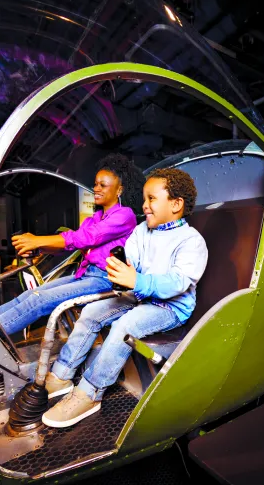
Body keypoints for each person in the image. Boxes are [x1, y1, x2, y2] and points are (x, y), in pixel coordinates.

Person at [41, 168, 207, 428]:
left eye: (152, 199)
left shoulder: (191, 241)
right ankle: (61, 375)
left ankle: (89, 393)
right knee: (91, 312)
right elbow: (132, 260)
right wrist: (122, 268)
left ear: (176, 205)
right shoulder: (142, 231)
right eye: (144, 199)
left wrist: (137, 280)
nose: (145, 205)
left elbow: (178, 282)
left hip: (170, 306)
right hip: (138, 295)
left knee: (125, 326)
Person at [0, 154, 144, 336]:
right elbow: (70, 245)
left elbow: (87, 237)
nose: (96, 188)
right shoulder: (94, 219)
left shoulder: (125, 215)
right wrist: (38, 247)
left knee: (38, 301)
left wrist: (38, 240)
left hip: (104, 279)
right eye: (95, 184)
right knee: (27, 296)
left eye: (102, 185)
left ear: (119, 190)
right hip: (85, 275)